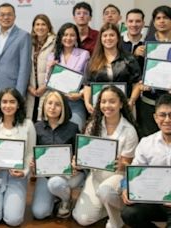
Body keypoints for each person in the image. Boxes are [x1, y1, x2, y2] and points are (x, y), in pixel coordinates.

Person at [72, 86, 139, 228]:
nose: (107, 105)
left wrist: (122, 164)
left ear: (121, 104)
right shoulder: (93, 125)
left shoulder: (129, 131)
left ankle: (116, 218)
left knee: (105, 190)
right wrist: (78, 163)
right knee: (82, 219)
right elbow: (85, 157)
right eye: (103, 101)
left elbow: (130, 165)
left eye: (112, 101)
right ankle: (106, 206)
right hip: (96, 176)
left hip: (117, 177)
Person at [0, 88, 36, 226]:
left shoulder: (28, 125)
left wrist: (24, 172)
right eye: (4, 102)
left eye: (12, 102)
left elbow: (30, 153)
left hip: (16, 177)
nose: (8, 106)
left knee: (14, 221)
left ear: (18, 104)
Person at [121, 93, 171, 228]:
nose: (167, 120)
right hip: (155, 201)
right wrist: (126, 187)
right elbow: (134, 172)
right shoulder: (146, 143)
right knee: (129, 213)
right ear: (155, 117)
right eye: (162, 115)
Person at [31, 91, 82, 220]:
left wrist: (76, 164)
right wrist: (32, 163)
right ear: (44, 106)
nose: (52, 107)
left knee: (56, 184)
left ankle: (66, 199)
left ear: (63, 108)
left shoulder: (73, 128)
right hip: (45, 175)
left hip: (68, 175)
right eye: (49, 103)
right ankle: (55, 197)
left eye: (57, 104)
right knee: (39, 213)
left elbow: (79, 155)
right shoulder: (36, 128)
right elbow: (32, 154)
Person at [83, 23, 141, 114]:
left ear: (118, 38)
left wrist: (132, 101)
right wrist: (87, 102)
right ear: (101, 39)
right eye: (105, 36)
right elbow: (87, 84)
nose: (108, 38)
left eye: (112, 35)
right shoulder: (93, 61)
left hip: (125, 106)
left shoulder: (129, 59)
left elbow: (137, 83)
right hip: (101, 107)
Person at [47, 23, 90, 131]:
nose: (68, 38)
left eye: (72, 35)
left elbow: (88, 82)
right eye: (65, 35)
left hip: (75, 103)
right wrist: (50, 72)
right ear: (60, 37)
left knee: (75, 134)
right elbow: (47, 82)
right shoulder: (52, 56)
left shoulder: (84, 54)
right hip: (56, 104)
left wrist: (79, 94)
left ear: (76, 37)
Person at [138, 5, 171, 137]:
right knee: (150, 139)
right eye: (158, 18)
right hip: (149, 101)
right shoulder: (146, 44)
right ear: (154, 22)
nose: (162, 21)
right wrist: (142, 83)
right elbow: (138, 74)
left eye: (165, 17)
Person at [0, 3, 31, 96]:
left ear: (14, 17)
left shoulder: (23, 36)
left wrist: (19, 94)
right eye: (2, 15)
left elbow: (24, 67)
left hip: (13, 89)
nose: (6, 17)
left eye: (9, 14)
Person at [26, 14, 56, 121]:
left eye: (43, 24)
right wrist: (29, 88)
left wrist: (45, 86)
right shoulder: (28, 42)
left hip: (47, 89)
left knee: (44, 120)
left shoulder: (55, 42)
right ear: (33, 27)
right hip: (31, 90)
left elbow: (58, 68)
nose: (40, 27)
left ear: (48, 27)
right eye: (37, 24)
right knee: (30, 119)